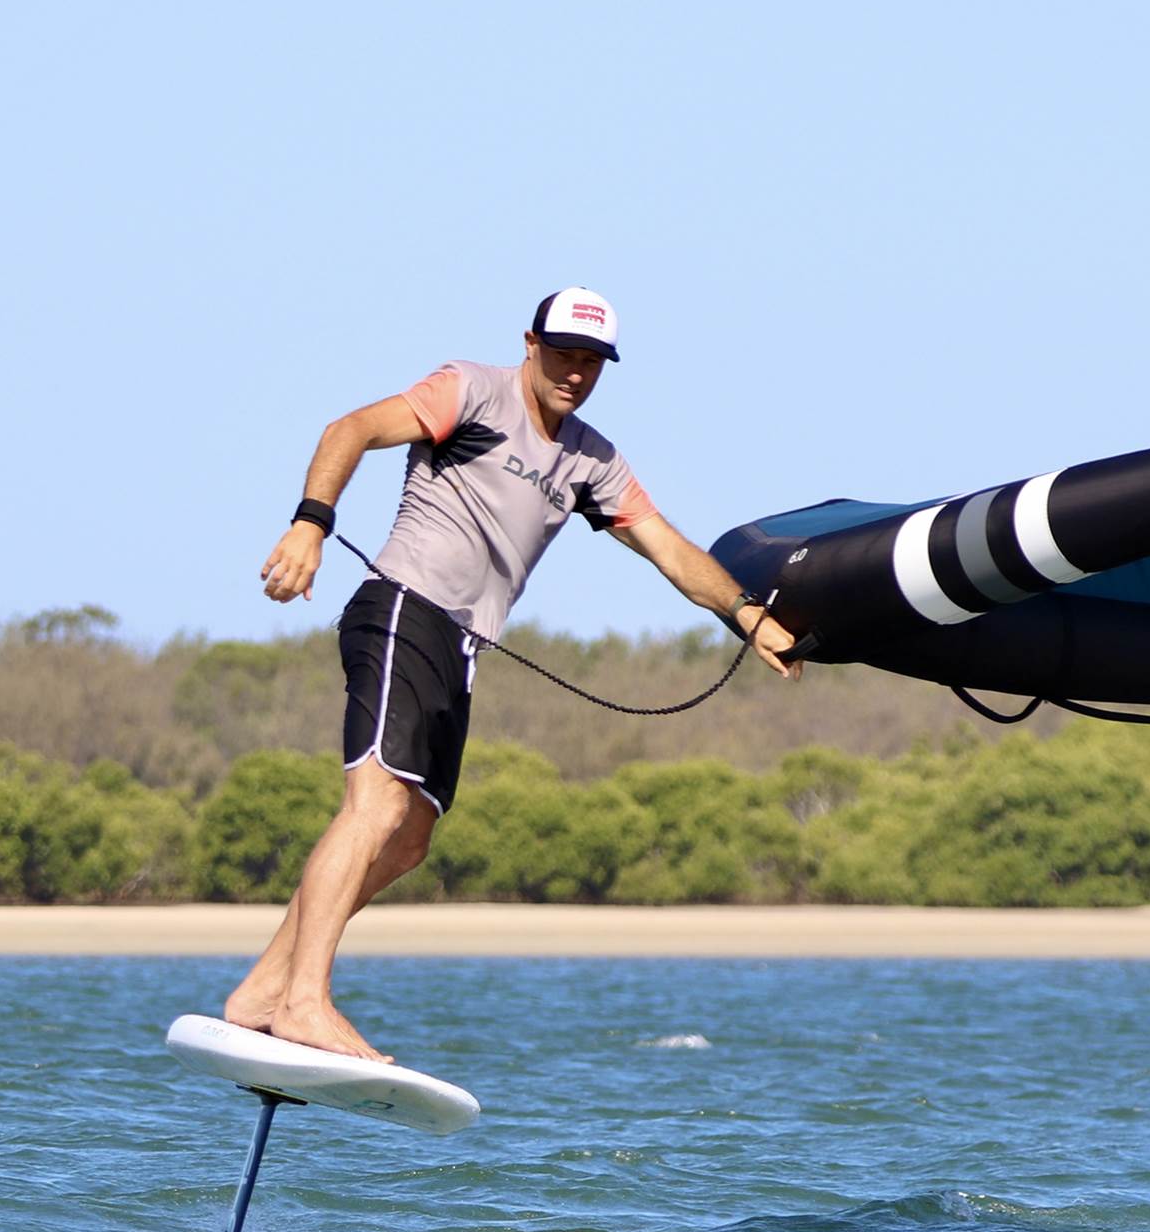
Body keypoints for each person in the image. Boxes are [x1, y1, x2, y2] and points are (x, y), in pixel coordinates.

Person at [226, 290, 802, 1059]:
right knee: (375, 804)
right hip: (403, 609)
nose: (575, 372)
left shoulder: (592, 459)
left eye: (591, 361)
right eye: (563, 353)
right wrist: (310, 523)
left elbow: (666, 545)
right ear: (530, 343)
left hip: (461, 647)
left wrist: (746, 614)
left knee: (409, 838)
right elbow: (350, 429)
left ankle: (263, 988)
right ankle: (303, 1001)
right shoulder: (469, 391)